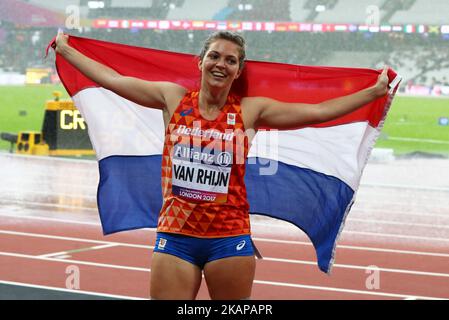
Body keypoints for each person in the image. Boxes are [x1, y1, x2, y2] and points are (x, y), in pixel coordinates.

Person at [54, 30, 389, 300]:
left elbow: (317, 113)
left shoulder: (249, 111)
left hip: (229, 239)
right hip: (175, 235)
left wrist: (371, 94)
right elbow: (113, 80)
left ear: (238, 71)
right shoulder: (172, 98)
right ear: (200, 61)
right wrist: (66, 51)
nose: (220, 64)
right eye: (214, 56)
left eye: (230, 60)